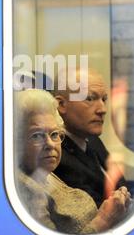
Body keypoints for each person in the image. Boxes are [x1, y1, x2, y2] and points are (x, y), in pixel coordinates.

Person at [15, 89, 131, 235]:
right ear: (15, 142)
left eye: (55, 134)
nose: (50, 144)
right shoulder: (25, 189)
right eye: (37, 136)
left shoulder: (44, 173)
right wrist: (104, 219)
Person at [53, 67, 128, 208]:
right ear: (61, 104)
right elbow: (95, 210)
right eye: (90, 98)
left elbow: (122, 186)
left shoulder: (92, 139)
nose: (102, 109)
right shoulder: (55, 155)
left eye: (104, 99)